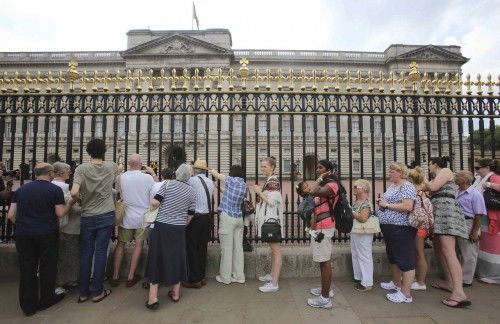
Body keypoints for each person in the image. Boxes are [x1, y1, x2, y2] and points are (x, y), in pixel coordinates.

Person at [7, 163, 74, 316]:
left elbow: (10, 215)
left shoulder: (21, 190)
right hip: (46, 233)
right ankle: (46, 299)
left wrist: (24, 224)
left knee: (27, 269)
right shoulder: (54, 190)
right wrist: (70, 202)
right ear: (50, 173)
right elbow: (60, 213)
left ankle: (28, 306)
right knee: (47, 267)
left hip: (24, 234)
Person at [70, 138, 118, 303]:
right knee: (100, 253)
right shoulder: (110, 166)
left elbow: (74, 192)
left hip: (88, 215)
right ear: (104, 151)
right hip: (106, 214)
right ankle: (97, 291)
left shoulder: (81, 169)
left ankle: (83, 293)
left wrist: (81, 201)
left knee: (86, 253)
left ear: (88, 151)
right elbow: (119, 168)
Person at [145, 164, 196, 310]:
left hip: (162, 226)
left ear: (177, 173)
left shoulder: (167, 184)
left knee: (157, 257)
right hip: (179, 228)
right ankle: (175, 293)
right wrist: (182, 224)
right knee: (177, 257)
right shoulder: (192, 191)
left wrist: (153, 207)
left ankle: (153, 298)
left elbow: (155, 202)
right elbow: (191, 213)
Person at [423, 157, 470, 308]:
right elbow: (428, 189)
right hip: (439, 210)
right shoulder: (438, 176)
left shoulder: (445, 171)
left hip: (446, 211)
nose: (428, 167)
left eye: (429, 164)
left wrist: (420, 176)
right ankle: (450, 282)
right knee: (439, 248)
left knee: (448, 250)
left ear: (435, 164)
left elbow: (433, 187)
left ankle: (459, 293)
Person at [110, 154, 155, 288]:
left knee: (121, 244)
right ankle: (130, 277)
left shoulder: (121, 177)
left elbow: (117, 191)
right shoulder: (147, 177)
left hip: (126, 215)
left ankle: (115, 276)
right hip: (142, 216)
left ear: (129, 164)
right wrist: (152, 173)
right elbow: (157, 189)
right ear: (141, 164)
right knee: (139, 245)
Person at [376, 162, 417, 304]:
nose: (390, 173)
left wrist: (386, 205)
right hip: (389, 227)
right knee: (393, 257)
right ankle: (396, 283)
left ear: (400, 172)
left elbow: (408, 206)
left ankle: (406, 294)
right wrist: (383, 202)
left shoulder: (407, 186)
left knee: (405, 260)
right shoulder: (393, 186)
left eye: (392, 171)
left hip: (401, 227)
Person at [306, 160, 339, 309]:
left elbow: (311, 191)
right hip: (319, 227)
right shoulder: (324, 184)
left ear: (329, 171)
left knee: (325, 262)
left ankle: (325, 299)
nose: (317, 170)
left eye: (321, 168)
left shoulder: (332, 185)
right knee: (322, 260)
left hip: (324, 227)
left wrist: (320, 179)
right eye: (317, 167)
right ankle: (325, 289)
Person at [210, 165, 247, 285]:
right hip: (238, 219)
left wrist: (213, 171)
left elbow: (218, 175)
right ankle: (239, 276)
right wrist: (217, 186)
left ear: (232, 173)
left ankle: (225, 277)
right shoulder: (243, 184)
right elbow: (229, 193)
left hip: (227, 218)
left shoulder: (232, 180)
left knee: (226, 249)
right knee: (238, 248)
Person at [254, 156, 283, 293]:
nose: (262, 169)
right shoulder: (270, 181)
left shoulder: (273, 181)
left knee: (276, 251)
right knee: (273, 250)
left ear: (272, 167)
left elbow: (272, 201)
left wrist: (259, 192)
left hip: (271, 219)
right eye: (261, 166)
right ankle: (272, 275)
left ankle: (274, 283)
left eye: (265, 166)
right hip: (269, 218)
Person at [184, 160, 214, 289]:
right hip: (207, 218)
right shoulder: (210, 182)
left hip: (195, 218)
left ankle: (194, 279)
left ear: (195, 170)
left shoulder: (191, 181)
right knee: (202, 248)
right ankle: (202, 277)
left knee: (192, 248)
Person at [455, 170, 486, 287]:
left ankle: (466, 279)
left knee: (468, 252)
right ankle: (457, 276)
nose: (455, 177)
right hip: (457, 222)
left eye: (458, 176)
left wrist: (474, 231)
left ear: (466, 179)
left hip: (468, 222)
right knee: (458, 251)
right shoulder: (457, 191)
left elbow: (479, 214)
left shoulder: (475, 194)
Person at [52, 162, 81, 289]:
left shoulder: (52, 184)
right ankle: (63, 281)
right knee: (67, 256)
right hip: (65, 226)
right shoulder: (63, 187)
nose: (70, 172)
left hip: (55, 227)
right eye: (68, 169)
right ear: (61, 172)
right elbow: (66, 207)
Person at [472, 158, 500, 284]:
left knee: (492, 246)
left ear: (487, 168)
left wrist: (488, 185)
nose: (476, 171)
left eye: (478, 168)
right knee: (484, 245)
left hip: (492, 216)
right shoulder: (478, 179)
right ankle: (485, 272)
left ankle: (493, 274)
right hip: (483, 216)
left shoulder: (493, 178)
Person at [407, 166, 433, 291]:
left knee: (419, 253)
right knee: (416, 253)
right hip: (420, 226)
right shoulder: (423, 192)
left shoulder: (416, 192)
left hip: (419, 226)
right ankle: (415, 278)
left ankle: (421, 282)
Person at [350, 179, 374, 292]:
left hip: (364, 232)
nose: (353, 188)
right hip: (356, 231)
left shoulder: (366, 204)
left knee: (364, 255)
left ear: (363, 189)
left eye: (356, 187)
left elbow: (363, 218)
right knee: (355, 253)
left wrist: (351, 212)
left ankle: (367, 282)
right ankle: (359, 277)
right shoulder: (357, 201)